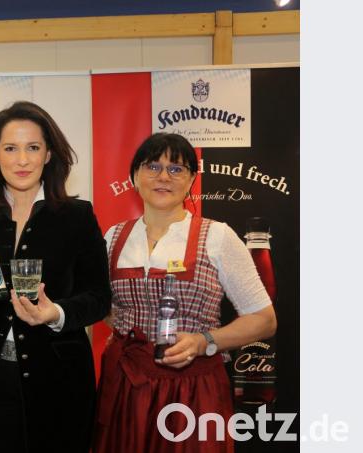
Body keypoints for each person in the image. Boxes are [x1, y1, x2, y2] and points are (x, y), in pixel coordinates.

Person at [0, 101, 112, 453]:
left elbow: (98, 297)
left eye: (32, 147)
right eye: (10, 148)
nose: (22, 160)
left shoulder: (76, 215)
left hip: (59, 374)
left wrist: (56, 314)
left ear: (49, 154)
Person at [94, 132, 278, 452]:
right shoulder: (114, 237)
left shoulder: (217, 237)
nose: (164, 176)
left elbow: (264, 320)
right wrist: (127, 330)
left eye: (176, 168)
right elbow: (98, 303)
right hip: (127, 386)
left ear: (192, 179)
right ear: (134, 176)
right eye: (153, 166)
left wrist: (203, 341)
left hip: (194, 388)